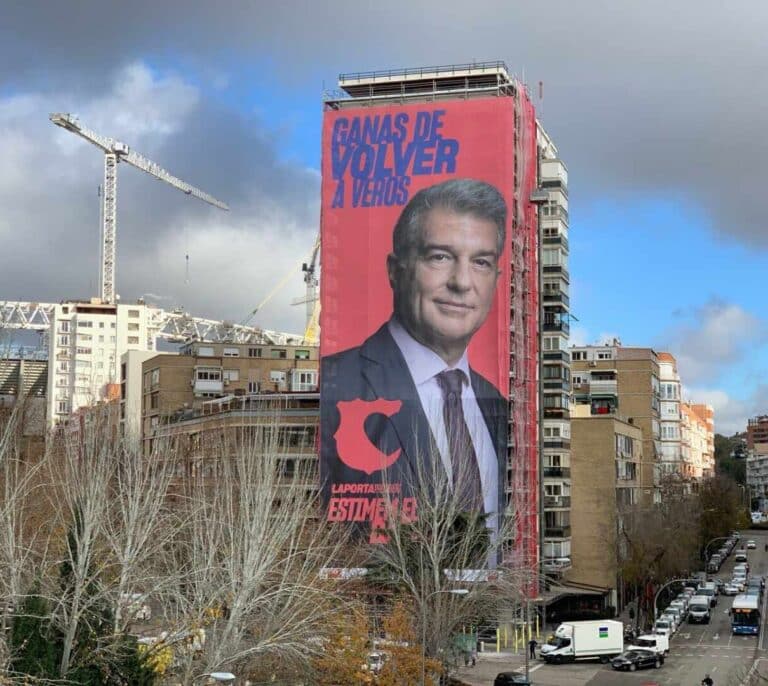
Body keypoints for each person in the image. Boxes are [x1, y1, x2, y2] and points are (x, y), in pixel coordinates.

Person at [321, 179, 508, 526]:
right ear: (396, 271)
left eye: (480, 262)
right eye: (440, 257)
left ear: (496, 279)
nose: (462, 282)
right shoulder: (334, 384)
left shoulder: (497, 404)